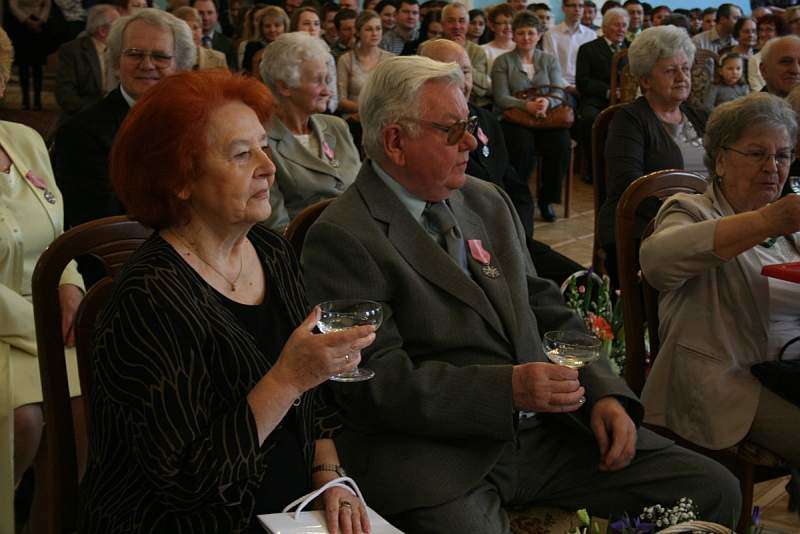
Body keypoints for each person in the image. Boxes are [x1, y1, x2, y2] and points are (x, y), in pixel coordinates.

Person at [300, 53, 742, 534]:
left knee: (714, 489)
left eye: (469, 123)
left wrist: (602, 392)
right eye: (452, 130)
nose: (472, 141)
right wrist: (506, 389)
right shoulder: (345, 236)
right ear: (395, 141)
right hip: (441, 455)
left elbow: (544, 305)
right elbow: (375, 384)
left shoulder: (483, 199)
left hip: (546, 433)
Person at [78, 69, 376, 534]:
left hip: (293, 509)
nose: (268, 166)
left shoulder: (271, 251)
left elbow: (315, 398)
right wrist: (286, 379)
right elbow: (184, 485)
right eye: (241, 154)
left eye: (264, 146)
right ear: (180, 179)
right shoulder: (150, 297)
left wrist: (329, 478)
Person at [640, 92, 800, 469]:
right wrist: (765, 221)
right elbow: (657, 262)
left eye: (782, 155)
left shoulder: (791, 225)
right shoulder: (690, 209)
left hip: (789, 375)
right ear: (722, 160)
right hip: (728, 382)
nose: (772, 167)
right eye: (757, 153)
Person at [0, 75, 86, 534]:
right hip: (15, 324)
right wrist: (42, 326)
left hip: (45, 316)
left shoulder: (25, 140)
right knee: (23, 419)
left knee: (86, 409)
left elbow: (57, 234)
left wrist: (70, 285)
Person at [54, 9, 195, 234]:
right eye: (135, 54)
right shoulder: (80, 134)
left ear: (180, 66)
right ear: (116, 63)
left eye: (160, 56)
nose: (147, 65)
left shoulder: (200, 122)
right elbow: (101, 224)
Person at [598, 25, 708, 286]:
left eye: (685, 68)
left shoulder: (701, 116)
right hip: (647, 229)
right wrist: (683, 217)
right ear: (645, 80)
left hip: (703, 223)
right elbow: (629, 186)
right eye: (670, 71)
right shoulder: (628, 120)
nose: (682, 77)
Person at [259, 32, 360, 231]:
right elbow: (277, 228)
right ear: (284, 86)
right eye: (317, 81)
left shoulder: (337, 127)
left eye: (327, 80)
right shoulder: (261, 142)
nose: (327, 91)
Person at [493, 11, 571, 223]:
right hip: (515, 118)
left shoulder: (549, 60)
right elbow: (501, 97)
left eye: (530, 33)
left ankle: (547, 199)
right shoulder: (502, 61)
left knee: (561, 144)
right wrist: (526, 105)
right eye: (520, 33)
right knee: (521, 146)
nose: (526, 37)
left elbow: (558, 92)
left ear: (539, 35)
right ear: (513, 35)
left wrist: (546, 102)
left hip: (546, 116)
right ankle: (520, 198)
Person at [576, 7, 629, 183]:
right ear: (605, 27)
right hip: (597, 100)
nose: (621, 29)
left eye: (624, 25)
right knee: (592, 120)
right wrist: (609, 91)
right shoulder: (588, 49)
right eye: (616, 25)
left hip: (626, 101)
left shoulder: (632, 49)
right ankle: (595, 171)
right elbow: (583, 81)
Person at [337, 10, 393, 146]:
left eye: (378, 28)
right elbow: (340, 100)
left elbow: (393, 98)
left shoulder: (391, 60)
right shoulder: (346, 59)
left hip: (382, 120)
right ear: (358, 32)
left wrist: (370, 112)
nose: (375, 33)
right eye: (369, 29)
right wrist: (364, 111)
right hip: (353, 121)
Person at [55, 4, 120, 121]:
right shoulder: (72, 51)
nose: (121, 29)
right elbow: (65, 94)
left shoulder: (120, 50)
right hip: (83, 116)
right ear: (103, 31)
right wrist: (95, 114)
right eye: (117, 25)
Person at [290, 6, 339, 114]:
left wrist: (323, 110)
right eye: (306, 24)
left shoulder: (328, 57)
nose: (312, 28)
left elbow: (333, 97)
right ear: (295, 27)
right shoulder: (288, 55)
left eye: (316, 24)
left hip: (323, 111)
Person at [441, 3, 490, 107]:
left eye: (461, 21)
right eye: (451, 21)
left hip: (469, 105)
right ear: (443, 24)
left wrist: (460, 53)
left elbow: (482, 89)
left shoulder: (477, 51)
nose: (457, 26)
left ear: (467, 25)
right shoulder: (428, 47)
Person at [541, 0, 596, 93]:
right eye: (573, 5)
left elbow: (594, 67)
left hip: (586, 86)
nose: (577, 9)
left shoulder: (591, 35)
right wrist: (568, 87)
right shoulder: (551, 34)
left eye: (581, 6)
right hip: (561, 86)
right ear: (563, 8)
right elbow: (550, 67)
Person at [7, 0, 51, 110]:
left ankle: (37, 100)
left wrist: (41, 20)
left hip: (39, 24)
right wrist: (26, 20)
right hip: (21, 25)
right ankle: (25, 100)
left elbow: (47, 4)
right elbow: (13, 5)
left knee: (37, 66)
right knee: (23, 66)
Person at [242, 6, 288, 77]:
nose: (272, 30)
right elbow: (246, 73)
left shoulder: (291, 45)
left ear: (285, 26)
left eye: (277, 25)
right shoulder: (252, 46)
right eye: (267, 26)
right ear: (261, 28)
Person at [748, 14, 788, 92]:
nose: (763, 34)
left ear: (779, 33)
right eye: (761, 30)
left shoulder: (791, 55)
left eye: (769, 29)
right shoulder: (754, 60)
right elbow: (756, 90)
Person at [193, 0, 236, 68]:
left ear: (217, 15)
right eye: (200, 13)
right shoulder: (184, 42)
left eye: (210, 13)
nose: (205, 18)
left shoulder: (228, 44)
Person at [481, 4, 515, 73]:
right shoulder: (483, 51)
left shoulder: (522, 49)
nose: (508, 27)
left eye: (511, 23)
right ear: (492, 26)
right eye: (503, 23)